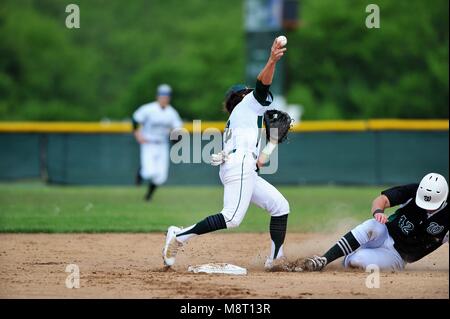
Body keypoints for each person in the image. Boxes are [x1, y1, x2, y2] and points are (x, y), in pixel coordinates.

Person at [162, 37, 290, 270]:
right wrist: (272, 60)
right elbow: (262, 84)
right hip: (239, 164)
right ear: (241, 97)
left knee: (280, 206)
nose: (255, 94)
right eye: (249, 92)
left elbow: (259, 159)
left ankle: (276, 259)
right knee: (231, 218)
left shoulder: (243, 118)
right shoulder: (248, 104)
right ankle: (178, 236)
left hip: (242, 164)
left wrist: (269, 148)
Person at [303, 173, 449, 271]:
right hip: (384, 234)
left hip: (397, 256)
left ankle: (351, 253)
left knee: (357, 260)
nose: (426, 208)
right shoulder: (414, 190)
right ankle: (323, 260)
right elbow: (382, 200)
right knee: (373, 225)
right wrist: (378, 212)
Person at [132, 84, 183, 201]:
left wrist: (176, 137)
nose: (164, 98)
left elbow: (177, 129)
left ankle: (148, 195)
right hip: (148, 143)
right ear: (157, 96)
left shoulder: (172, 112)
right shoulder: (148, 109)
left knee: (161, 177)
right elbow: (135, 119)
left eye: (166, 96)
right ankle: (140, 172)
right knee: (149, 172)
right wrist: (137, 134)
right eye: (162, 96)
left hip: (162, 144)